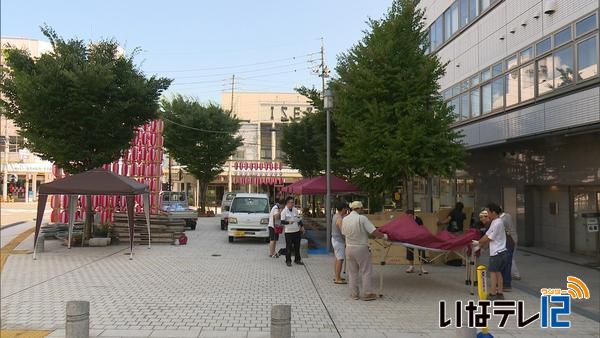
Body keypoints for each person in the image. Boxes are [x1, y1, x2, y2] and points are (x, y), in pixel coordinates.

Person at [342, 201, 388, 301]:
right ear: (359, 208)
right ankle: (367, 293)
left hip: (349, 248)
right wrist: (384, 236)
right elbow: (373, 231)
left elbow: (344, 233)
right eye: (362, 208)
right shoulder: (362, 218)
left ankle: (354, 294)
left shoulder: (345, 219)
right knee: (366, 271)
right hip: (361, 248)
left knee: (352, 272)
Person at [472, 203, 508, 300]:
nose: (487, 214)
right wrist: (479, 243)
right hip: (500, 252)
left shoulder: (498, 223)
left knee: (493, 273)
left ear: (493, 212)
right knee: (498, 273)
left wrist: (478, 243)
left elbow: (489, 237)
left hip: (497, 253)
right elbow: (487, 234)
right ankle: (500, 293)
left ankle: (493, 294)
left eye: (488, 212)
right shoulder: (495, 222)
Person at [280, 196, 304, 267]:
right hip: (288, 232)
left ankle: (297, 260)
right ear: (287, 203)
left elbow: (299, 219)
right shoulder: (284, 211)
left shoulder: (295, 210)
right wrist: (288, 222)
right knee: (289, 247)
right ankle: (288, 260)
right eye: (291, 202)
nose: (292, 204)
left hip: (296, 231)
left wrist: (302, 226)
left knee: (297, 246)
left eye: (293, 202)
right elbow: (282, 222)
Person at [405, 210, 428, 274]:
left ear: (413, 215)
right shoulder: (406, 220)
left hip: (419, 237)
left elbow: (422, 228)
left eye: (410, 216)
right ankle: (411, 266)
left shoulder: (418, 220)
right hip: (410, 237)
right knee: (409, 250)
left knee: (421, 251)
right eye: (407, 216)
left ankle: (422, 267)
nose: (408, 218)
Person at [500, 208, 518, 291]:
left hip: (509, 241)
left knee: (508, 261)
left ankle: (514, 275)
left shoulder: (502, 219)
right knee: (510, 260)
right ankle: (512, 276)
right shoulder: (507, 216)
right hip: (511, 239)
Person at [332, 201, 349, 284]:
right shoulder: (339, 219)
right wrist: (346, 240)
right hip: (339, 241)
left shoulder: (336, 215)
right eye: (346, 208)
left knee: (337, 258)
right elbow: (343, 231)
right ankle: (337, 278)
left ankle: (337, 276)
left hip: (335, 239)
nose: (347, 210)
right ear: (343, 209)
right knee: (340, 259)